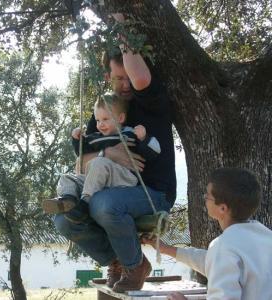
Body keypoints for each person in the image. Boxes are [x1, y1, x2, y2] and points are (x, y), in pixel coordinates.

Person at [53, 13, 176, 293]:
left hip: (152, 194)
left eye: (128, 76)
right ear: (108, 77)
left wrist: (122, 25)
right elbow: (82, 162)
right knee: (63, 218)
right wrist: (110, 155)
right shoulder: (103, 113)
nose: (126, 84)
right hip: (107, 189)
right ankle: (120, 261)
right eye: (119, 78)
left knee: (103, 204)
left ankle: (135, 266)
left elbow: (141, 77)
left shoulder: (151, 101)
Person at [143, 167, 272, 300]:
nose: (205, 198)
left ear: (222, 208)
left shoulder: (224, 246)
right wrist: (166, 249)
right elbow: (213, 262)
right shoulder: (266, 238)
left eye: (208, 196)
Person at [42, 93, 161, 223]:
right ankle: (67, 198)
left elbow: (154, 151)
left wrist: (143, 137)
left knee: (98, 162)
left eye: (105, 119)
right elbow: (81, 153)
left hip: (122, 178)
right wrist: (77, 139)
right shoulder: (96, 137)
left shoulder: (129, 134)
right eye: (98, 120)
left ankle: (84, 204)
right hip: (96, 180)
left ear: (120, 118)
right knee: (66, 177)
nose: (100, 124)